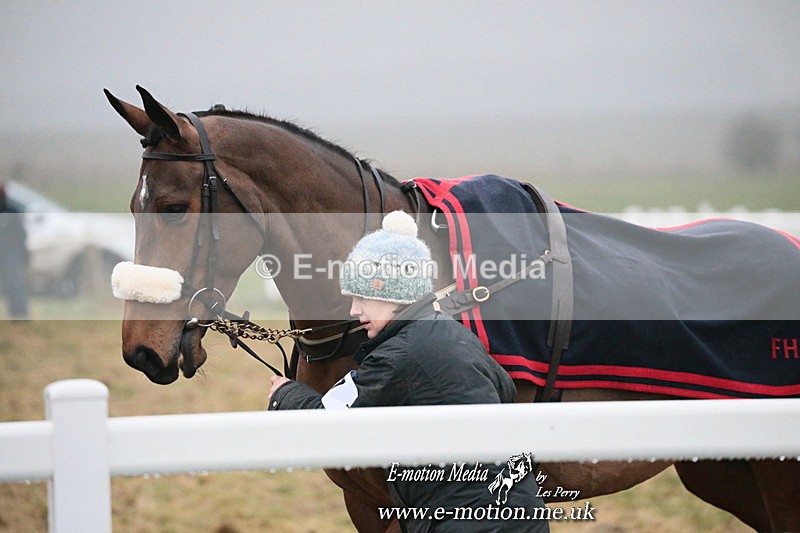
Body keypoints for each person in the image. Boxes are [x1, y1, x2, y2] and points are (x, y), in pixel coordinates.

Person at [269, 211, 548, 532]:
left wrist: (284, 394)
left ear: (395, 296)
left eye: (362, 297)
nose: (353, 310)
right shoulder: (453, 333)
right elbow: (504, 389)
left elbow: (330, 430)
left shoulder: (397, 357)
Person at [0, 182, 30, 319]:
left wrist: (22, 253)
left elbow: (21, 235)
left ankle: (19, 314)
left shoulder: (11, 211)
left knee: (14, 285)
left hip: (10, 255)